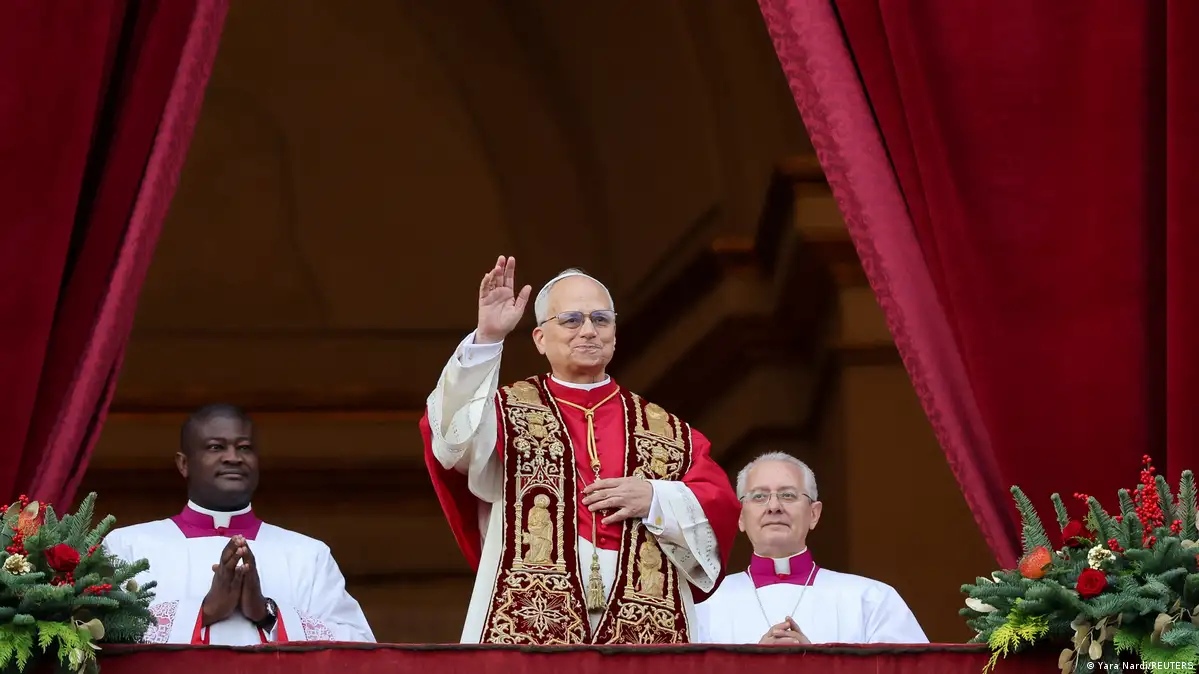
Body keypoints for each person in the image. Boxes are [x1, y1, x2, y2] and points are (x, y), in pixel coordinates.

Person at [420, 256, 741, 644]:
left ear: (615, 334)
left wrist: (656, 498)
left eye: (601, 320)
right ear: (540, 338)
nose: (588, 330)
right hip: (529, 613)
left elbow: (720, 505)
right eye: (571, 320)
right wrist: (487, 338)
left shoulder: (668, 431)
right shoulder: (502, 410)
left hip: (645, 620)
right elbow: (451, 440)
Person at [103, 404, 375, 645]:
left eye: (244, 447)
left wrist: (267, 613)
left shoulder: (309, 555)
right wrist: (204, 611)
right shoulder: (127, 546)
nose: (233, 457)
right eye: (216, 447)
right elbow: (99, 637)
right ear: (184, 464)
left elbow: (359, 646)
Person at [695, 451, 927, 644]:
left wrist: (818, 665)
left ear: (814, 514)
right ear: (740, 517)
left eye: (788, 495)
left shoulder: (872, 600)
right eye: (759, 496)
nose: (774, 506)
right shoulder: (703, 606)